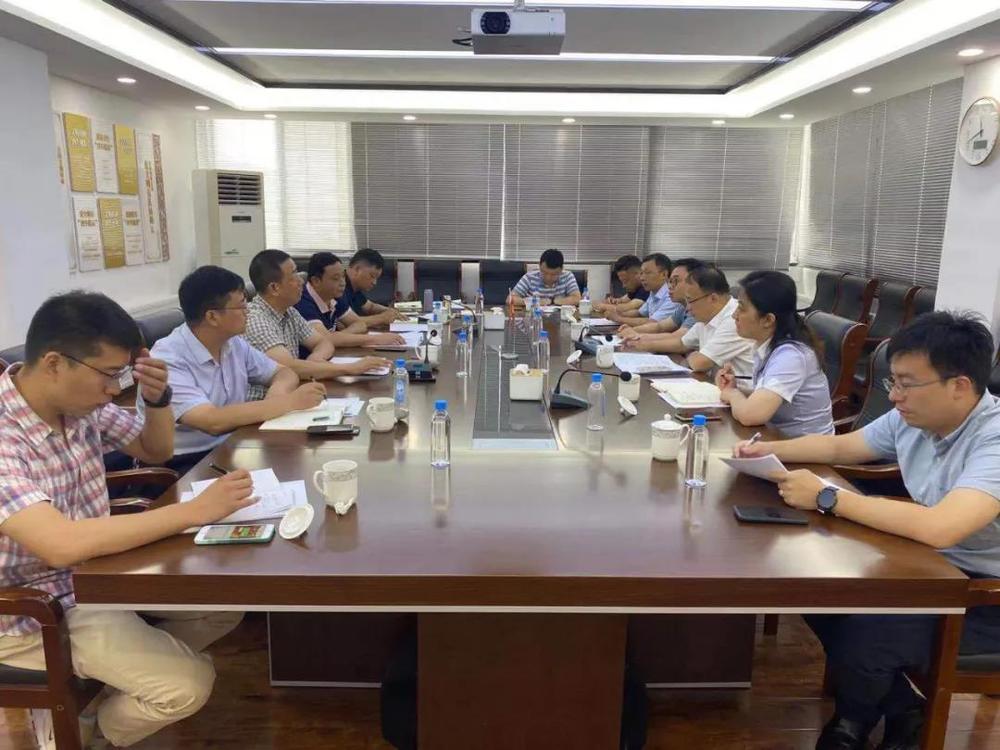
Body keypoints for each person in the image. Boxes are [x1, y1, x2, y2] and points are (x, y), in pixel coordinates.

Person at [734, 311, 1000, 750]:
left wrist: (827, 496)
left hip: (983, 596)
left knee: (868, 627)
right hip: (933, 568)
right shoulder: (914, 418)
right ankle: (903, 711)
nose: (894, 396)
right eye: (892, 382)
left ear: (960, 386)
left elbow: (942, 527)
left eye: (906, 384)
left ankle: (851, 723)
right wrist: (765, 452)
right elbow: (842, 446)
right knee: (815, 590)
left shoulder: (993, 440)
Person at [0, 291, 255, 749]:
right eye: (109, 374)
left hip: (98, 577)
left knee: (223, 604)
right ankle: (92, 735)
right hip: (36, 612)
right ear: (54, 363)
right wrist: (195, 511)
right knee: (187, 685)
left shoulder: (79, 405)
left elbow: (155, 450)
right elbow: (60, 545)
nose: (115, 389)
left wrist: (158, 400)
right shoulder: (6, 436)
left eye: (122, 374)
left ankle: (104, 695)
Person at [149, 265, 328, 474]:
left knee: (297, 466)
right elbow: (211, 421)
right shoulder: (167, 358)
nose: (248, 311)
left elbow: (284, 373)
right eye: (242, 306)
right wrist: (289, 402)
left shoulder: (233, 343)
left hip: (233, 444)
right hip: (184, 463)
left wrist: (276, 397)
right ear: (212, 317)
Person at [244, 250, 390, 400]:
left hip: (293, 394)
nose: (301, 281)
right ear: (275, 288)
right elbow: (288, 367)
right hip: (263, 405)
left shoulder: (289, 311)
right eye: (294, 276)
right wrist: (351, 368)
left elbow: (323, 341)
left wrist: (315, 358)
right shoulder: (255, 320)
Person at [715, 270, 834, 437]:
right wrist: (736, 389)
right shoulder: (769, 345)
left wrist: (732, 394)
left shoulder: (791, 356)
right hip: (777, 438)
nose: (734, 315)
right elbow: (767, 397)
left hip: (805, 449)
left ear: (768, 320)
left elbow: (751, 415)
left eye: (741, 308)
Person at [624, 264, 754, 377]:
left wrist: (690, 353)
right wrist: (641, 343)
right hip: (717, 384)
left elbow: (700, 363)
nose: (688, 308)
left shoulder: (734, 319)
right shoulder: (707, 316)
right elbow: (681, 343)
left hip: (743, 393)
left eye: (690, 301)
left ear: (713, 298)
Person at [294, 251, 405, 351]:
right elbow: (324, 340)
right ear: (316, 281)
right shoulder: (303, 302)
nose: (343, 283)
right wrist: (376, 339)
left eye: (343, 276)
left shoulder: (334, 295)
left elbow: (360, 324)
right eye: (336, 278)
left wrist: (338, 337)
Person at [619, 257, 702, 339]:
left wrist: (636, 337)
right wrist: (633, 330)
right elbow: (659, 326)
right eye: (670, 281)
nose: (670, 286)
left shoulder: (698, 307)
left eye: (676, 281)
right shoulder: (682, 307)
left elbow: (679, 340)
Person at [601, 254, 677, 326]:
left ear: (664, 274)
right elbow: (639, 313)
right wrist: (618, 314)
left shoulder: (672, 296)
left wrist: (618, 318)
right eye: (641, 273)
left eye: (647, 273)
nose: (642, 278)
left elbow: (653, 322)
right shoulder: (653, 292)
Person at [343, 248, 406, 325]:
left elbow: (370, 307)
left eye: (376, 278)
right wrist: (382, 318)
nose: (374, 283)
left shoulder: (354, 287)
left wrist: (390, 311)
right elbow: (347, 323)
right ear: (357, 269)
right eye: (372, 276)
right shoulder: (339, 286)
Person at [507, 248, 582, 308]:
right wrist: (536, 302)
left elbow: (577, 299)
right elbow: (510, 299)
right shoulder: (529, 277)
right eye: (544, 273)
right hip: (534, 318)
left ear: (561, 269)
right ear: (539, 266)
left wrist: (553, 301)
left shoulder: (567, 276)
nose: (548, 277)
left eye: (553, 274)